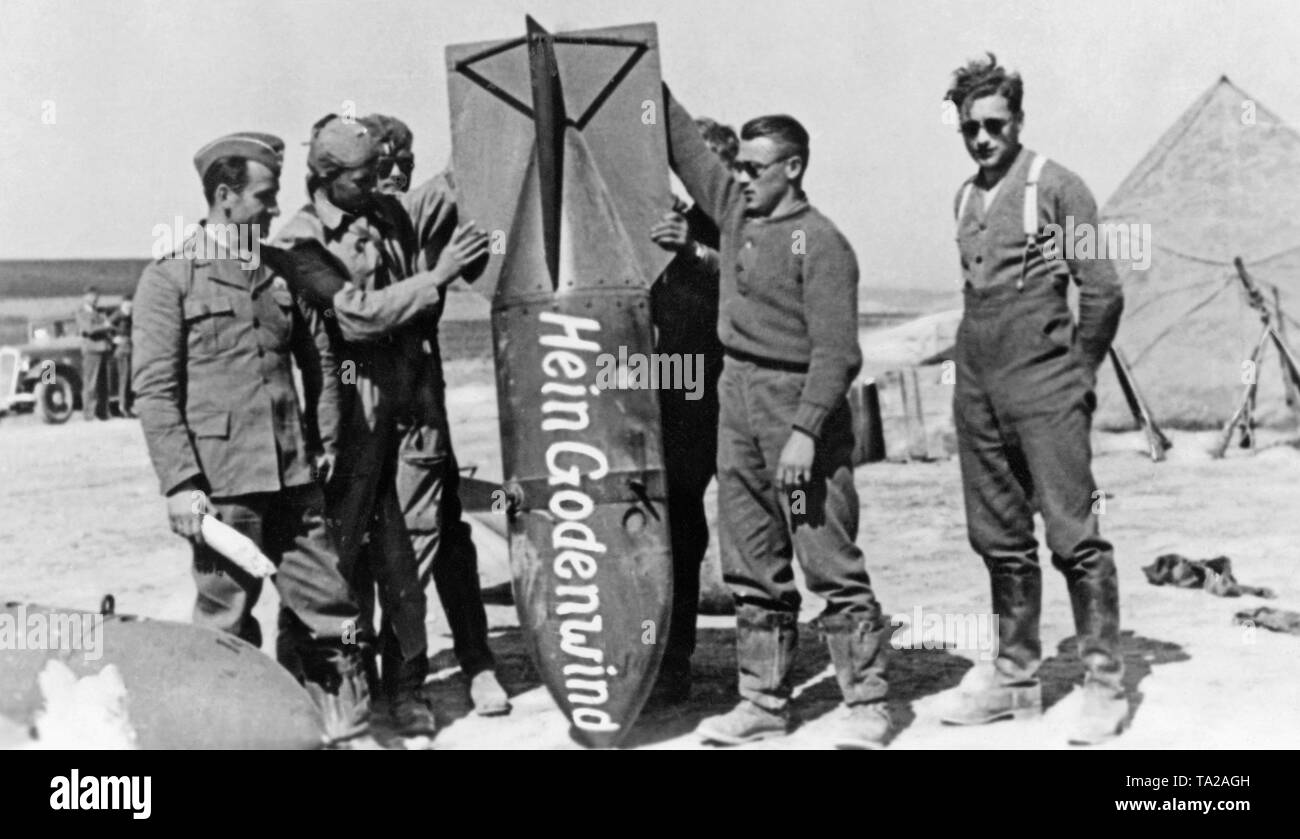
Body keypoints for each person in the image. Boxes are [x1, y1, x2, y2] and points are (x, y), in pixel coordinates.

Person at [664, 89, 891, 748]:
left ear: (792, 168)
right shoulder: (735, 212)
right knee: (750, 563)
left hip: (795, 411)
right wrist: (644, 78)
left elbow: (838, 352)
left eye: (754, 169)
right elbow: (683, 144)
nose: (739, 179)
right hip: (734, 398)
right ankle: (762, 701)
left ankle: (867, 700)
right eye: (736, 169)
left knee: (829, 560)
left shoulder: (821, 243)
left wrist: (805, 431)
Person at [132, 131, 371, 739]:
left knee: (330, 608)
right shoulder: (170, 279)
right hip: (223, 487)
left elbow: (319, 363)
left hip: (295, 476)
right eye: (264, 197)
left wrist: (325, 444)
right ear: (225, 196)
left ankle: (343, 726)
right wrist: (181, 484)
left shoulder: (282, 270)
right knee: (224, 623)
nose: (272, 208)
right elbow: (154, 392)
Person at [273, 114, 489, 734]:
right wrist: (439, 275)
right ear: (325, 176)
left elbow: (454, 182)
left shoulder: (389, 214)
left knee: (409, 563)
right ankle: (326, 689)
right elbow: (356, 317)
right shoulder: (300, 243)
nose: (378, 187)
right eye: (365, 177)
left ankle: (406, 689)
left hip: (412, 414)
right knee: (333, 564)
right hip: (350, 420)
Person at [938, 54, 1128, 745]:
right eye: (970, 128)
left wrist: (1078, 372)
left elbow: (1103, 289)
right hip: (979, 383)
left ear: (1019, 118)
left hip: (1045, 382)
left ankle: (1104, 682)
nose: (983, 138)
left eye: (995, 124)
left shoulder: (1058, 187)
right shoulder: (964, 197)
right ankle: (1016, 677)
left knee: (1074, 534)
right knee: (997, 536)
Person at [360, 113, 510, 716]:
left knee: (446, 534)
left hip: (422, 405)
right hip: (361, 414)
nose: (397, 172)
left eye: (405, 162)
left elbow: (462, 174)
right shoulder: (334, 233)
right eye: (383, 163)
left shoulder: (415, 217)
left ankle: (470, 663)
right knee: (371, 552)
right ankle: (384, 680)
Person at [644, 117, 735, 704]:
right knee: (678, 521)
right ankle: (673, 658)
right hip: (679, 393)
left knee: (757, 520)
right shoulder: (663, 223)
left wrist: (693, 249)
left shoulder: (738, 224)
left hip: (731, 388)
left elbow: (757, 278)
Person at [75, 286, 113, 421]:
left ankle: (103, 412)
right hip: (91, 350)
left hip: (103, 349)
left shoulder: (97, 312)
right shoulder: (81, 312)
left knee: (104, 384)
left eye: (96, 296)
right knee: (90, 383)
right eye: (92, 296)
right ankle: (88, 414)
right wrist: (105, 326)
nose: (95, 299)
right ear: (85, 297)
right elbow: (89, 329)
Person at [109, 296, 133, 417]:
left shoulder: (130, 316)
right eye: (127, 305)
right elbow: (106, 326)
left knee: (127, 379)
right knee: (124, 379)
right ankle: (123, 407)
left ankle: (125, 406)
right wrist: (113, 339)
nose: (129, 307)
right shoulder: (117, 315)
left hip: (129, 348)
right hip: (122, 350)